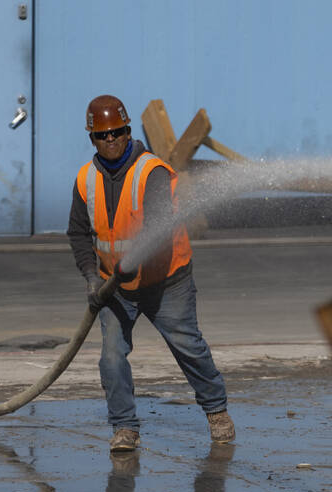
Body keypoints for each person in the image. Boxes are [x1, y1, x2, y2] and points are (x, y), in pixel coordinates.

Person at [67, 94, 233, 452]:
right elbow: (78, 234)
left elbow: (157, 226)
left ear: (128, 132)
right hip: (116, 288)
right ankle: (125, 427)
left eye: (117, 132)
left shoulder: (152, 171)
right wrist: (91, 277)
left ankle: (216, 410)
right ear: (92, 139)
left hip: (166, 281)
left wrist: (135, 262)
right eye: (102, 135)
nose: (110, 140)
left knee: (188, 346)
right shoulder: (85, 180)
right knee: (110, 356)